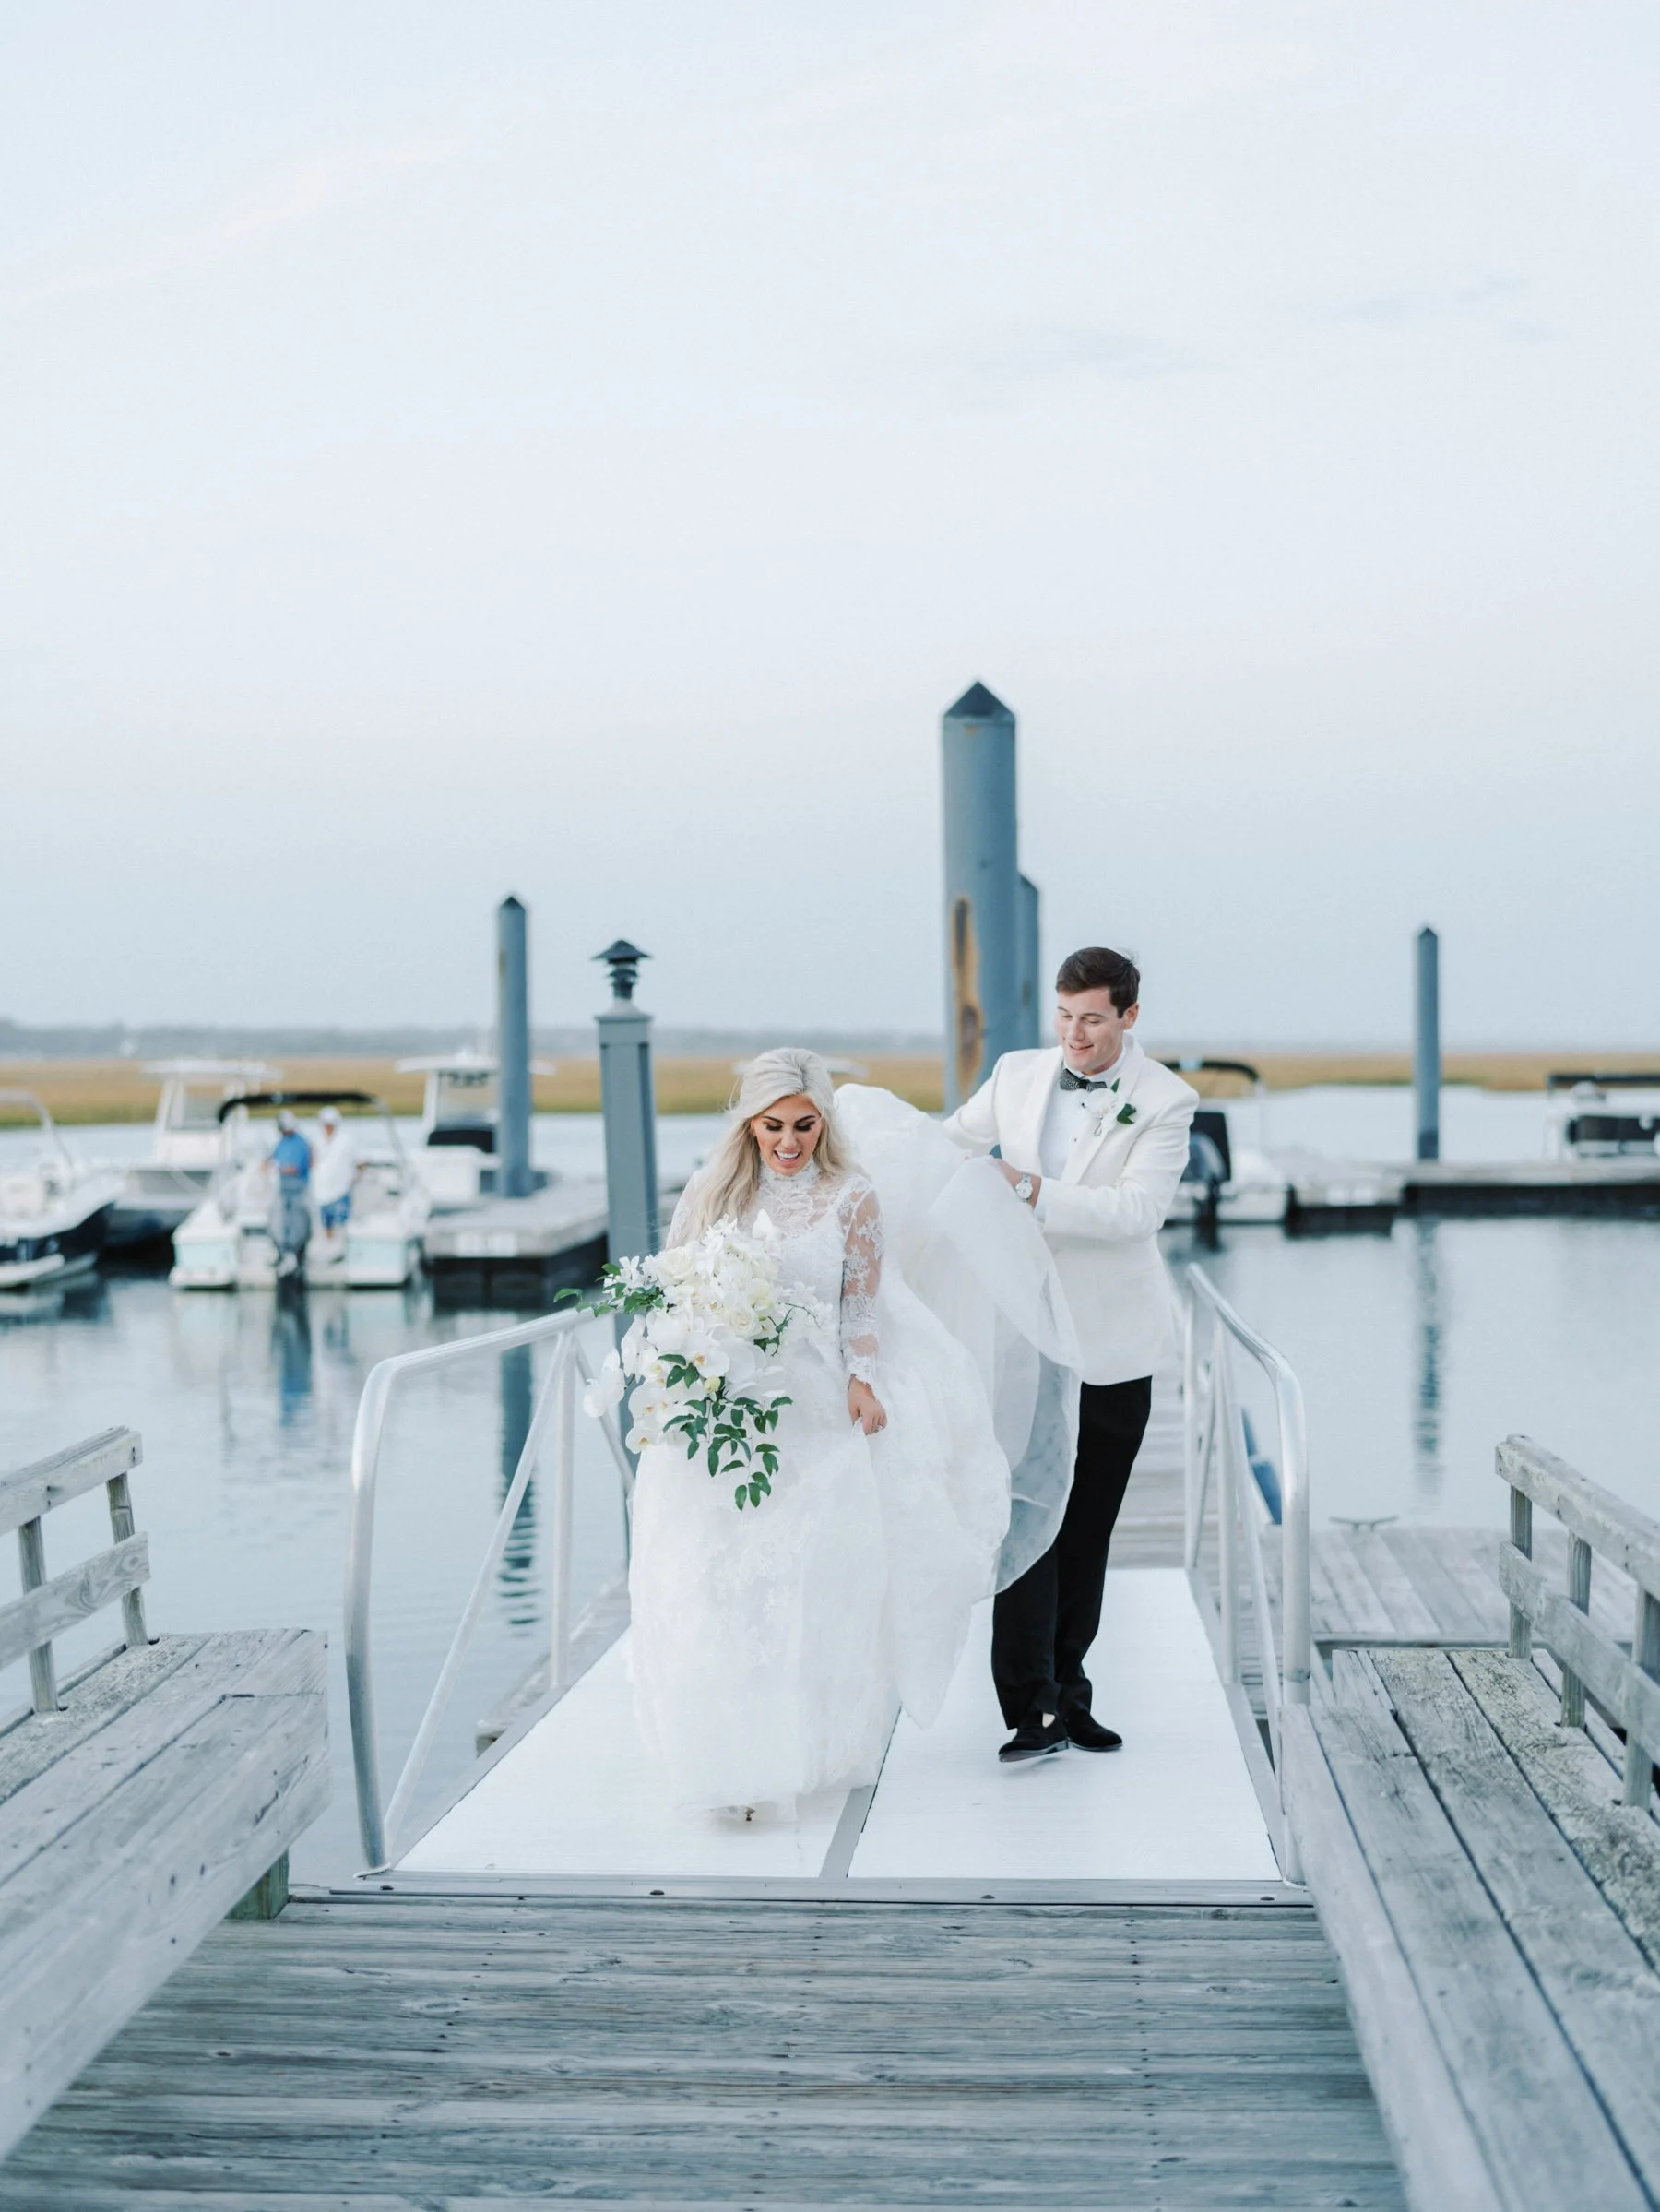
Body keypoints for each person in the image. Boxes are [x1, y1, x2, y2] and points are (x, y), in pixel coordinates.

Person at [626, 1047, 1068, 1821]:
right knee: (714, 1577)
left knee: (808, 1575)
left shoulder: (852, 1196)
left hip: (814, 1404)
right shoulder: (711, 1192)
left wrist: (862, 1379)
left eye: (804, 1125)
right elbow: (679, 1292)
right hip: (729, 1405)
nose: (789, 1141)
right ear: (750, 1125)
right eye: (773, 1127)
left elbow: (860, 1304)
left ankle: (799, 1748)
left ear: (824, 1122)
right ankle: (726, 1753)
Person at [943, 945, 1198, 1765]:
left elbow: (1136, 1211)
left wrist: (1027, 1190)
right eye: (1064, 1016)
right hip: (1020, 1336)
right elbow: (948, 1147)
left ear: (1128, 1016)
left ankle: (1071, 1690)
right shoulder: (1018, 1074)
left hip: (1113, 1348)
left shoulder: (1167, 1100)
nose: (1074, 1035)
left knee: (1087, 1528)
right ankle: (1028, 1708)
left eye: (1092, 1019)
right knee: (1024, 1516)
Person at [269, 1109, 313, 1279]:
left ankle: (295, 1253)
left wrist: (278, 1167)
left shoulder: (301, 1143)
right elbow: (272, 1157)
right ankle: (283, 1251)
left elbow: (297, 1167)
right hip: (283, 1189)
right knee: (282, 1220)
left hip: (297, 1189)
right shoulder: (281, 1142)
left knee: (297, 1221)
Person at [313, 1106, 356, 1238]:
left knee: (342, 1222)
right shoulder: (317, 1140)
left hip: (341, 1190)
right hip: (322, 1191)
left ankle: (342, 1248)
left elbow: (358, 1161)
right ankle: (330, 1244)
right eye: (325, 1124)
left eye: (331, 1124)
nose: (328, 1127)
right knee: (326, 1223)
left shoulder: (346, 1141)